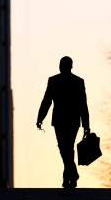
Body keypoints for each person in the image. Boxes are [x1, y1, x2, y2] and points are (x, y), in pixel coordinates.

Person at [36, 56, 90, 188]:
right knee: (65, 148)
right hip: (67, 121)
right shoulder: (71, 81)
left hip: (64, 120)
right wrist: (40, 118)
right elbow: (47, 101)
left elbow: (83, 104)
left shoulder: (60, 81)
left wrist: (86, 125)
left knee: (65, 147)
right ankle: (71, 174)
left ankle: (69, 176)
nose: (61, 67)